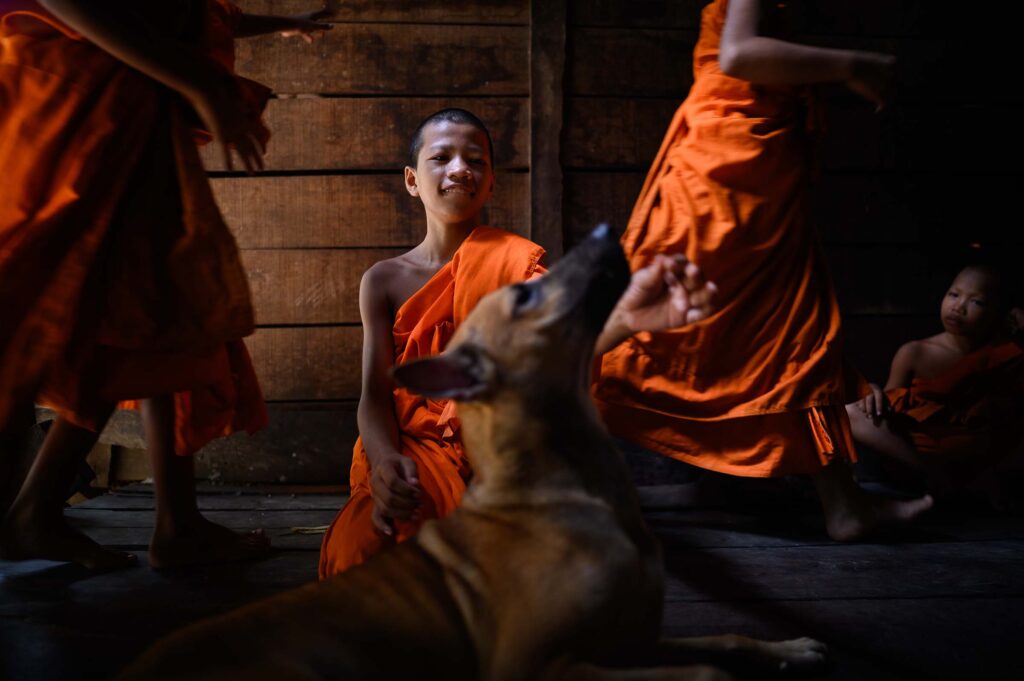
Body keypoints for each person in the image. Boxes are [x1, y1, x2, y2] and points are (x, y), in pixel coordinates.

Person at [0, 0, 330, 569]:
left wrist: (276, 25)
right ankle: (45, 512)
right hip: (73, 90)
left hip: (133, 96)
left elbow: (197, 9)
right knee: (36, 318)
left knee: (157, 305)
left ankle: (167, 522)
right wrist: (199, 79)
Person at [319, 108, 717, 578]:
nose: (459, 169)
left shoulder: (518, 267)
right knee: (362, 552)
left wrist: (627, 321)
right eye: (441, 157)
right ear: (411, 180)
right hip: (412, 452)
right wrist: (385, 463)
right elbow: (374, 395)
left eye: (476, 161)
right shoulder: (383, 280)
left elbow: (559, 353)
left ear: (490, 184)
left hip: (506, 449)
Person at [592, 0, 932, 540]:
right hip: (724, 176)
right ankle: (546, 470)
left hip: (762, 176)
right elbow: (741, 54)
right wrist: (853, 64)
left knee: (795, 336)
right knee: (651, 333)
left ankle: (845, 506)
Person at [848, 263, 1024, 503]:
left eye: (977, 302)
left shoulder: (1005, 353)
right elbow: (889, 406)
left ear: (1001, 313)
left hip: (974, 453)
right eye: (954, 294)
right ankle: (939, 477)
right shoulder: (916, 352)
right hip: (918, 454)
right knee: (852, 410)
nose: (958, 307)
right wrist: (873, 392)